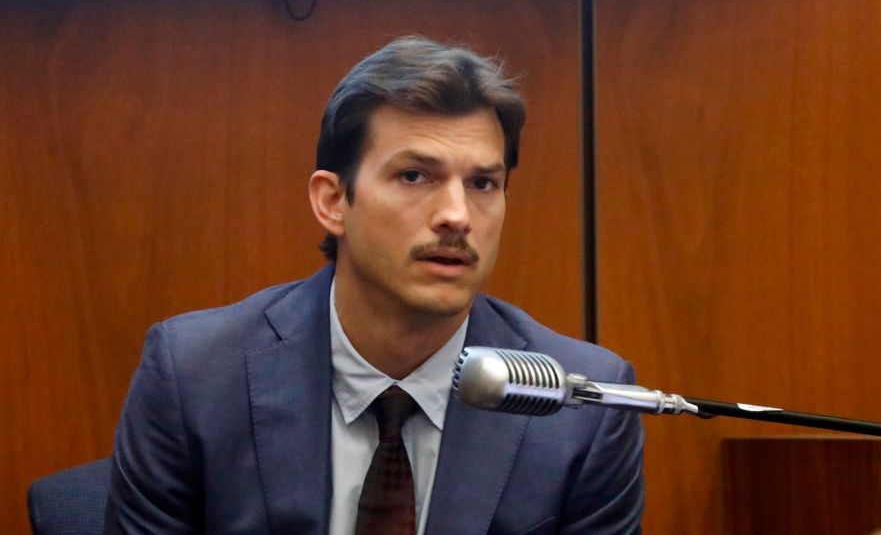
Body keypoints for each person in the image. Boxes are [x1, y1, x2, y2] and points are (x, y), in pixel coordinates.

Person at [104, 35, 644, 534]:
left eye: (483, 183)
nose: (456, 215)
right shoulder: (195, 377)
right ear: (333, 201)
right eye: (414, 176)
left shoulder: (581, 407)